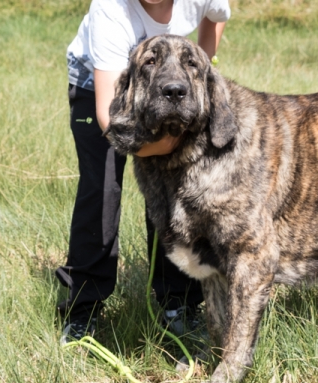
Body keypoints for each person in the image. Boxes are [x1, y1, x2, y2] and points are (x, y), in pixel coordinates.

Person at [56, 0, 230, 344]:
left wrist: (198, 76)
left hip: (169, 88)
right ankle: (83, 312)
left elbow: (216, 19)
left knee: (173, 198)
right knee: (101, 191)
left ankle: (177, 304)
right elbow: (109, 122)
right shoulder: (109, 9)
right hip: (102, 86)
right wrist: (168, 145)